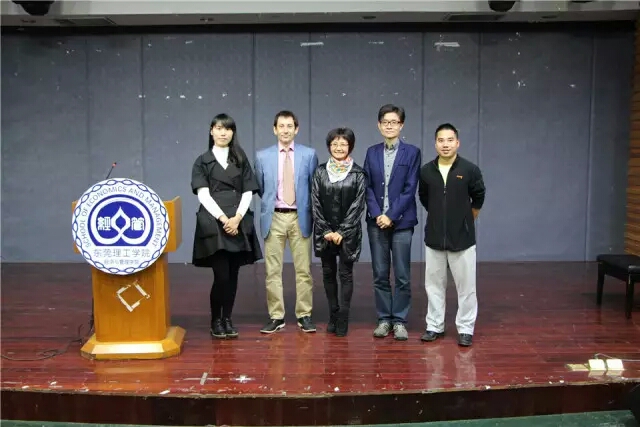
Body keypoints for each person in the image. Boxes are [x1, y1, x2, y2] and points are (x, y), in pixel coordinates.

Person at [191, 113, 263, 339]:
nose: (223, 133)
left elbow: (248, 191)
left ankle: (227, 319)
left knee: (233, 275)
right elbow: (203, 194)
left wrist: (237, 218)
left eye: (228, 129)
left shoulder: (240, 159)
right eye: (219, 128)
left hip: (238, 221)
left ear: (233, 132)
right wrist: (224, 219)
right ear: (211, 131)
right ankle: (216, 320)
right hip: (214, 223)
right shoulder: (202, 161)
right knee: (221, 275)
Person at [418, 123, 486, 347]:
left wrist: (464, 220)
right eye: (441, 140)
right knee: (433, 286)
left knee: (466, 288)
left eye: (449, 140)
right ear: (435, 143)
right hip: (434, 237)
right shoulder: (427, 171)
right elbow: (424, 198)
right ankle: (434, 326)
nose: (445, 144)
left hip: (462, 240)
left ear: (457, 143)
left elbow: (478, 197)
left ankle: (466, 328)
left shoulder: (470, 169)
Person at [254, 110, 319, 334]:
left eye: (289, 126)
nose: (285, 130)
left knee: (303, 270)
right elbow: (261, 187)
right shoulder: (262, 157)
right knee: (272, 271)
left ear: (296, 129)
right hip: (274, 217)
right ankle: (276, 316)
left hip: (300, 216)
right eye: (281, 126)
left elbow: (313, 186)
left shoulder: (309, 155)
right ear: (274, 129)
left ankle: (304, 315)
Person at [363, 104, 421, 341]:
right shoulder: (371, 152)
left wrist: (391, 215)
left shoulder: (412, 153)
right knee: (380, 273)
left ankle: (399, 320)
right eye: (385, 122)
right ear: (379, 125)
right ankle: (384, 319)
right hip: (376, 222)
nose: (389, 126)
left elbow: (410, 188)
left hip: (402, 223)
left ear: (401, 125)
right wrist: (378, 214)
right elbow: (367, 186)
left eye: (394, 122)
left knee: (402, 274)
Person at [311, 127, 367, 337]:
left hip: (348, 234)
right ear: (329, 146)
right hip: (324, 233)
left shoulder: (358, 173)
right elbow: (315, 202)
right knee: (328, 273)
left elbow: (358, 205)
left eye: (343, 144)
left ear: (350, 146)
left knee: (345, 274)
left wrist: (342, 231)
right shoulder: (320, 171)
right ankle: (333, 314)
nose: (338, 147)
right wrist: (326, 229)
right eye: (334, 144)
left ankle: (343, 315)